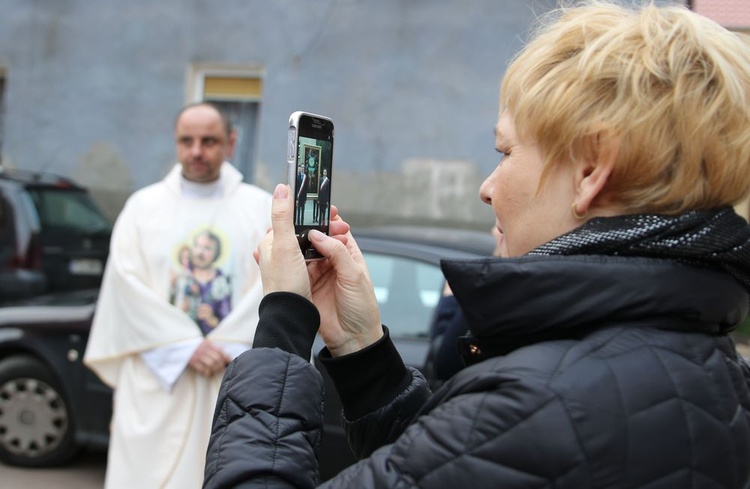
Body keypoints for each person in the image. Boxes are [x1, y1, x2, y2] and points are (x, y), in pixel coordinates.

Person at [204, 2, 750, 488]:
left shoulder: (543, 406)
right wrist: (361, 347)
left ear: (590, 170)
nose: (487, 189)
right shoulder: (710, 366)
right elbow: (450, 459)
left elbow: (487, 443)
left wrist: (281, 328)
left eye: (505, 152)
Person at [84, 102, 272, 489]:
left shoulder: (261, 208)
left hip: (229, 376)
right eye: (187, 141)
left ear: (231, 143)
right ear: (176, 143)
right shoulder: (142, 207)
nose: (197, 151)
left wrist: (227, 344)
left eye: (209, 140)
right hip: (157, 380)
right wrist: (184, 346)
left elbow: (274, 282)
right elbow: (125, 286)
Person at [425, 226, 503, 386]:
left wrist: (450, 301)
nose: (493, 230)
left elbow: (445, 360)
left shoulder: (489, 284)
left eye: (499, 225)